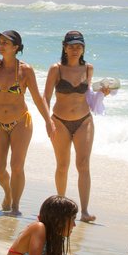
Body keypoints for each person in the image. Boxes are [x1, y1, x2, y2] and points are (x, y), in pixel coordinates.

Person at [0, 30, 55, 216]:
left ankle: (15, 206)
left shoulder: (25, 70)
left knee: (17, 166)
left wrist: (48, 121)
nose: (1, 45)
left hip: (21, 122)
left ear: (16, 48)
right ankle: (8, 193)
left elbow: (38, 97)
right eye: (0, 42)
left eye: (6, 42)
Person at [44, 31, 106, 222]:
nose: (75, 50)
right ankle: (61, 206)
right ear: (64, 47)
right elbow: (44, 98)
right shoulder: (56, 69)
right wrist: (47, 121)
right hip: (59, 121)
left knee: (83, 165)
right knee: (62, 165)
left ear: (83, 48)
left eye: (78, 46)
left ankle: (85, 211)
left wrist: (103, 93)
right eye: (71, 46)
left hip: (84, 121)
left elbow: (89, 97)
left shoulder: (88, 69)